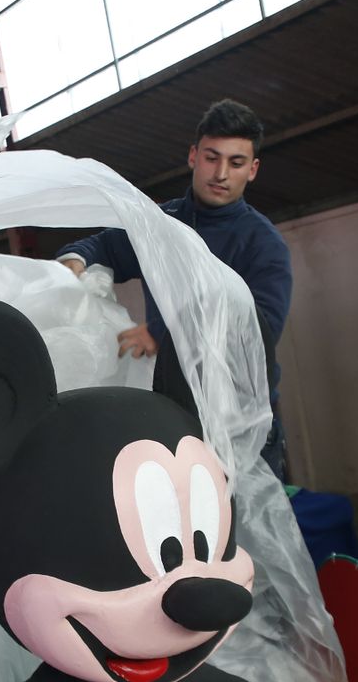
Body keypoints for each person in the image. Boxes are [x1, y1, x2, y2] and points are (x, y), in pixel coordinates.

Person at [57, 99, 293, 479]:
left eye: (235, 163)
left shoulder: (263, 245)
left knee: (245, 517)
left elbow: (257, 333)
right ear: (193, 156)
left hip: (240, 423)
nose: (221, 173)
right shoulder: (162, 224)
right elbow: (104, 246)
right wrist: (75, 260)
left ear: (252, 170)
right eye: (211, 158)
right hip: (173, 413)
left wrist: (162, 332)